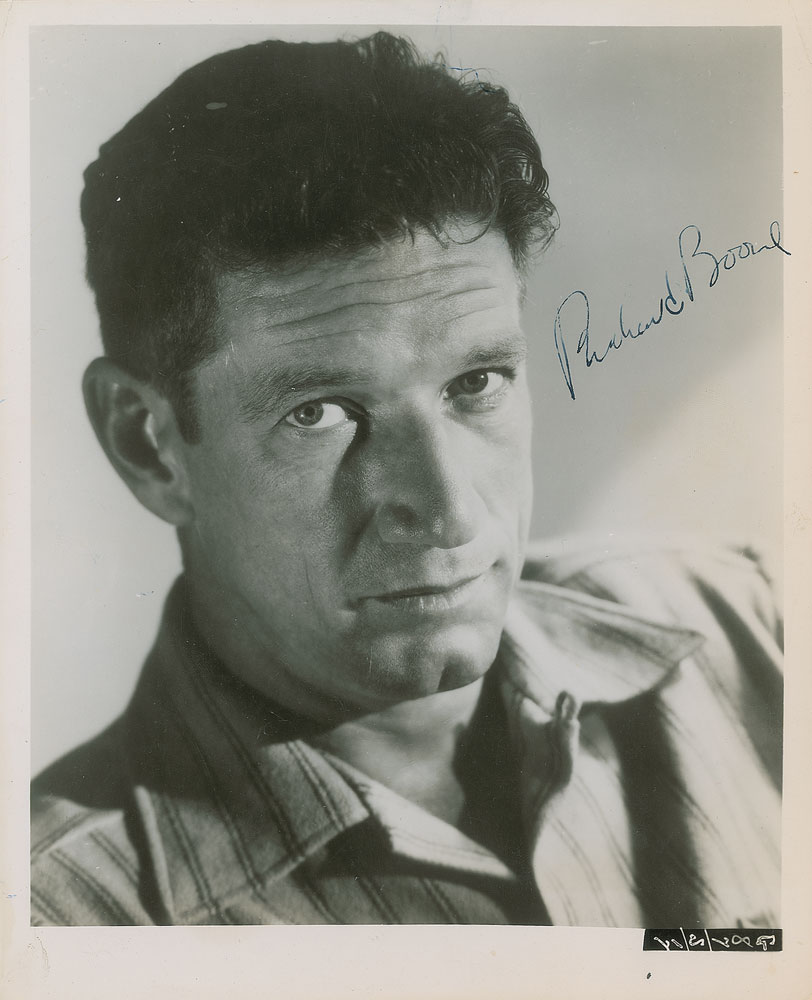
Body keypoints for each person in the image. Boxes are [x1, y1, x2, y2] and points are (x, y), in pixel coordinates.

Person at [30, 31, 782, 927]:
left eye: (477, 382)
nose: (448, 509)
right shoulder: (57, 920)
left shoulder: (756, 631)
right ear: (147, 444)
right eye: (320, 412)